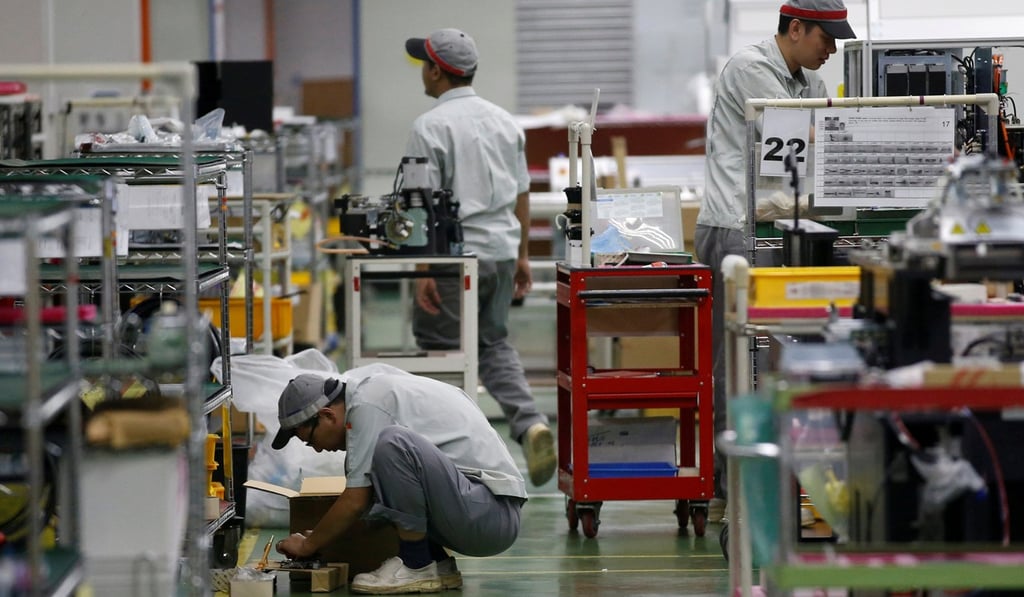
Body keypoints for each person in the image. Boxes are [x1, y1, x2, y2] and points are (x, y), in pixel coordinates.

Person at [695, 0, 855, 520]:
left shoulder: (808, 83)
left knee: (787, 355)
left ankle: (791, 475)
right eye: (825, 38)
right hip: (737, 228)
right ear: (795, 27)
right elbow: (802, 142)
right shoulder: (750, 68)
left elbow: (825, 144)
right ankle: (731, 487)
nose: (832, 49)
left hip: (783, 226)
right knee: (740, 359)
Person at [403, 28, 556, 487]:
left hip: (454, 258)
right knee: (492, 343)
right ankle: (530, 422)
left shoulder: (430, 127)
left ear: (436, 70)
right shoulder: (504, 121)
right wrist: (523, 255)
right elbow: (522, 194)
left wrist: (424, 268)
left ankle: (453, 459)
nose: (422, 73)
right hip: (502, 253)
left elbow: (419, 201)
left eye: (423, 65)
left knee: (440, 352)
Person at [272, 365, 527, 594]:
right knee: (374, 469)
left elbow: (355, 501)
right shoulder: (373, 392)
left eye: (310, 440)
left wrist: (307, 546)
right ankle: (437, 563)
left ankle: (416, 564)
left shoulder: (368, 406)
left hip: (490, 514)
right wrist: (320, 536)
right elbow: (370, 504)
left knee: (392, 445)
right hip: (481, 508)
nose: (316, 449)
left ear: (327, 415)